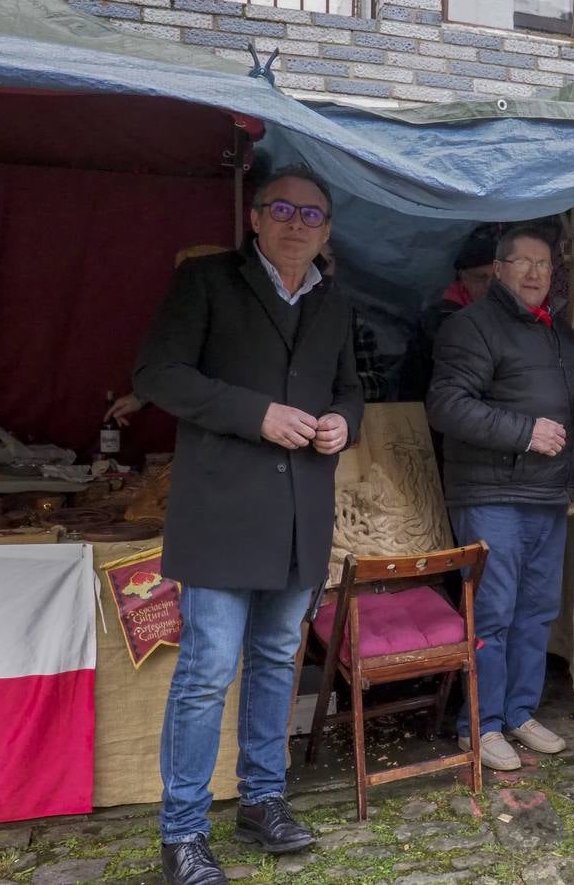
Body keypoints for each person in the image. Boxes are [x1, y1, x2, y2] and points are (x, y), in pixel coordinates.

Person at [133, 165, 363, 885]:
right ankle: (183, 833)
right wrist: (254, 413)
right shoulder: (207, 283)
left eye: (312, 213)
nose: (297, 222)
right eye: (283, 208)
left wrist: (341, 425)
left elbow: (353, 390)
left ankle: (264, 801)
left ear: (327, 231)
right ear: (257, 219)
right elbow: (158, 374)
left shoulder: (335, 301)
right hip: (224, 515)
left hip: (300, 518)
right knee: (205, 674)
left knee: (274, 665)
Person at [426, 226, 574, 772]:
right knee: (492, 614)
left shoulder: (558, 333)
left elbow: (569, 412)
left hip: (548, 495)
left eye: (543, 264)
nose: (535, 273)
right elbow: (447, 405)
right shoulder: (470, 326)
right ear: (497, 270)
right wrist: (524, 432)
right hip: (492, 494)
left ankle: (519, 711)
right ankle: (481, 724)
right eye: (522, 262)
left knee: (537, 612)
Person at [401, 232, 497, 401]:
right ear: (462, 278)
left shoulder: (514, 313)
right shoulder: (439, 319)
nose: (489, 286)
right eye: (481, 277)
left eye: (496, 278)